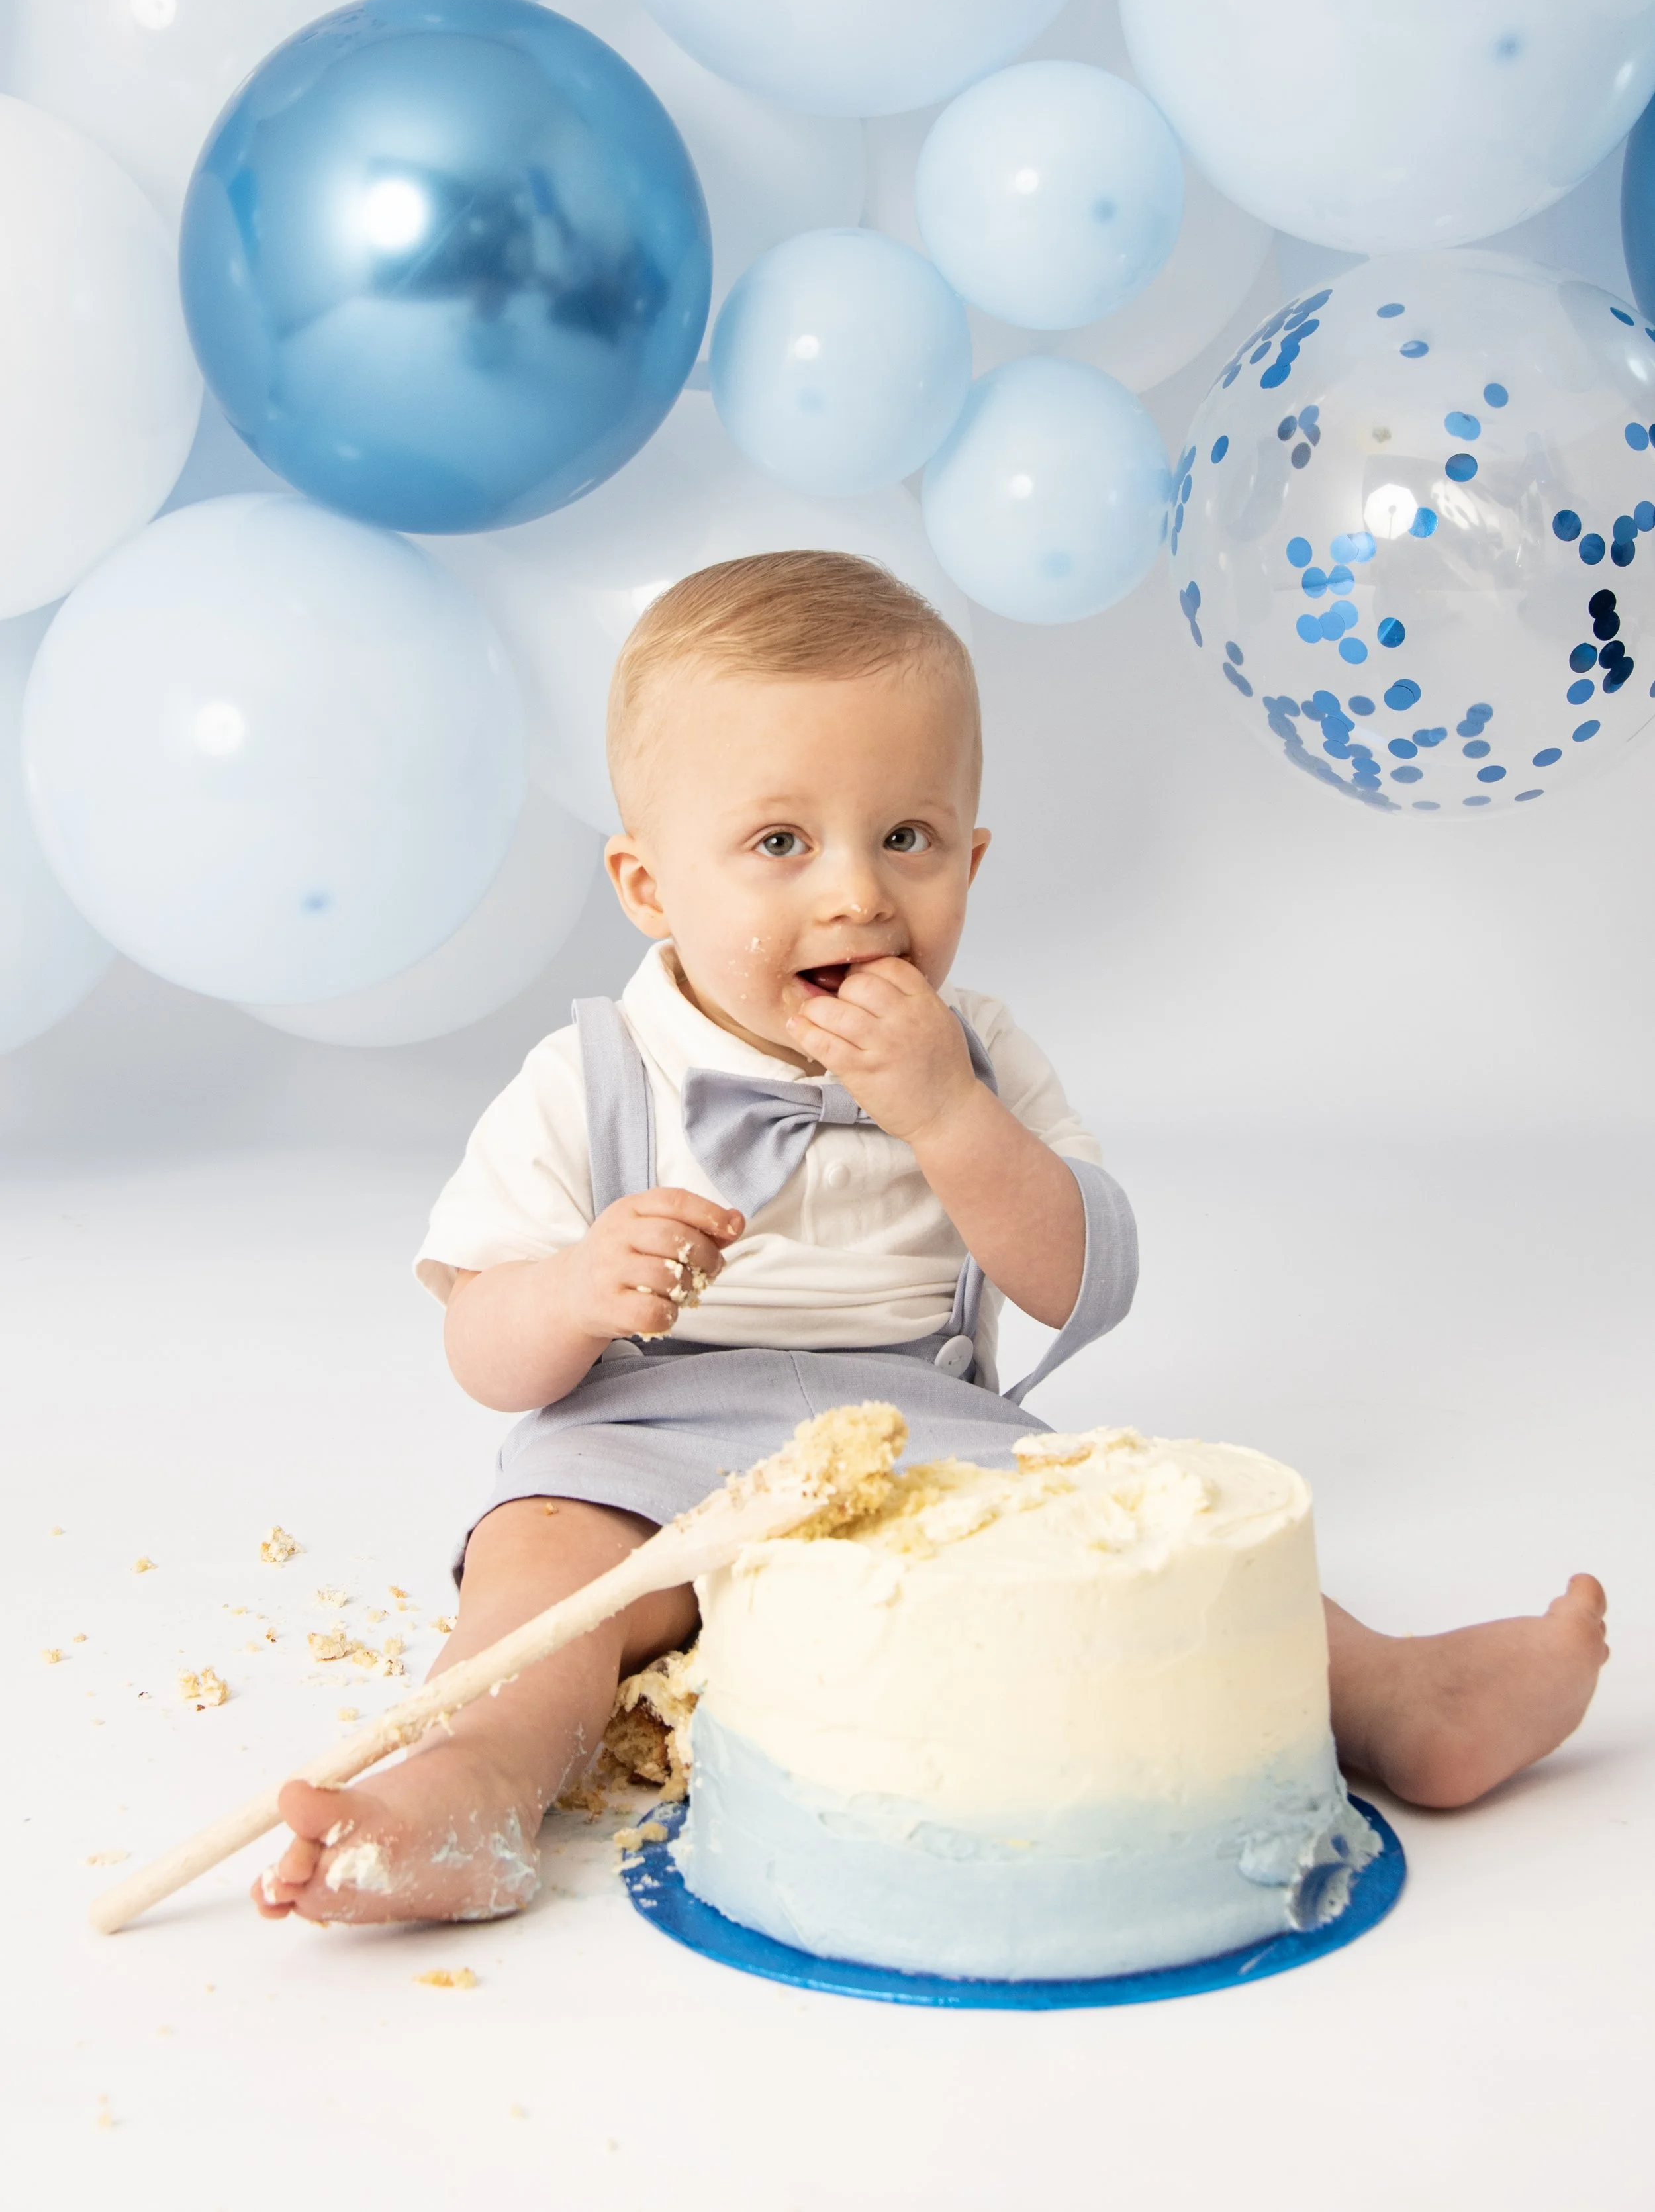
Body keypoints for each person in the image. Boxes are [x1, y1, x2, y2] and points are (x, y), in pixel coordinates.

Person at [254, 552, 1609, 1926]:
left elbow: (1081, 1283)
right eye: (780, 844)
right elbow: (483, 1352)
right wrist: (568, 1289)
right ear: (648, 883)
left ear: (970, 856)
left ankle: (1390, 1697)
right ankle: (470, 1792)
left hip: (919, 1433)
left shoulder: (980, 1056)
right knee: (535, 1587)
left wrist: (949, 1116)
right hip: (632, 1447)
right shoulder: (590, 1073)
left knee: (1129, 1546)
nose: (853, 896)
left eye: (903, 837)